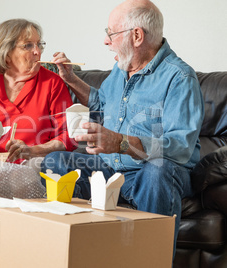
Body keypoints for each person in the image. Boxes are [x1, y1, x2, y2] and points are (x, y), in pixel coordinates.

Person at [41, 0, 204, 256]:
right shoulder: (120, 70)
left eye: (111, 33)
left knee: (157, 171)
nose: (106, 41)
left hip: (150, 176)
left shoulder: (179, 78)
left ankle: (151, 259)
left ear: (137, 36)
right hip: (110, 171)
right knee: (54, 162)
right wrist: (71, 79)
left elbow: (181, 147)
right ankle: (67, 253)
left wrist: (122, 143)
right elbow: (100, 103)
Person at [0, 19, 76, 166]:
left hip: (32, 165)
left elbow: (68, 137)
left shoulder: (53, 83)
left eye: (39, 44)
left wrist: (31, 151)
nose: (37, 51)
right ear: (7, 52)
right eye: (28, 45)